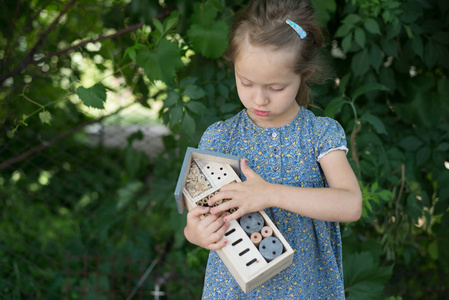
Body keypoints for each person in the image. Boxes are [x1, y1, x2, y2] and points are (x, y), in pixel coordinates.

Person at [183, 0, 362, 298]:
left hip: (306, 288)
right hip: (233, 290)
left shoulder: (319, 134)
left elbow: (350, 204)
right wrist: (195, 234)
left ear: (303, 77)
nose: (259, 100)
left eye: (275, 88)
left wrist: (269, 193)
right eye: (246, 83)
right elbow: (198, 216)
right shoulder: (219, 138)